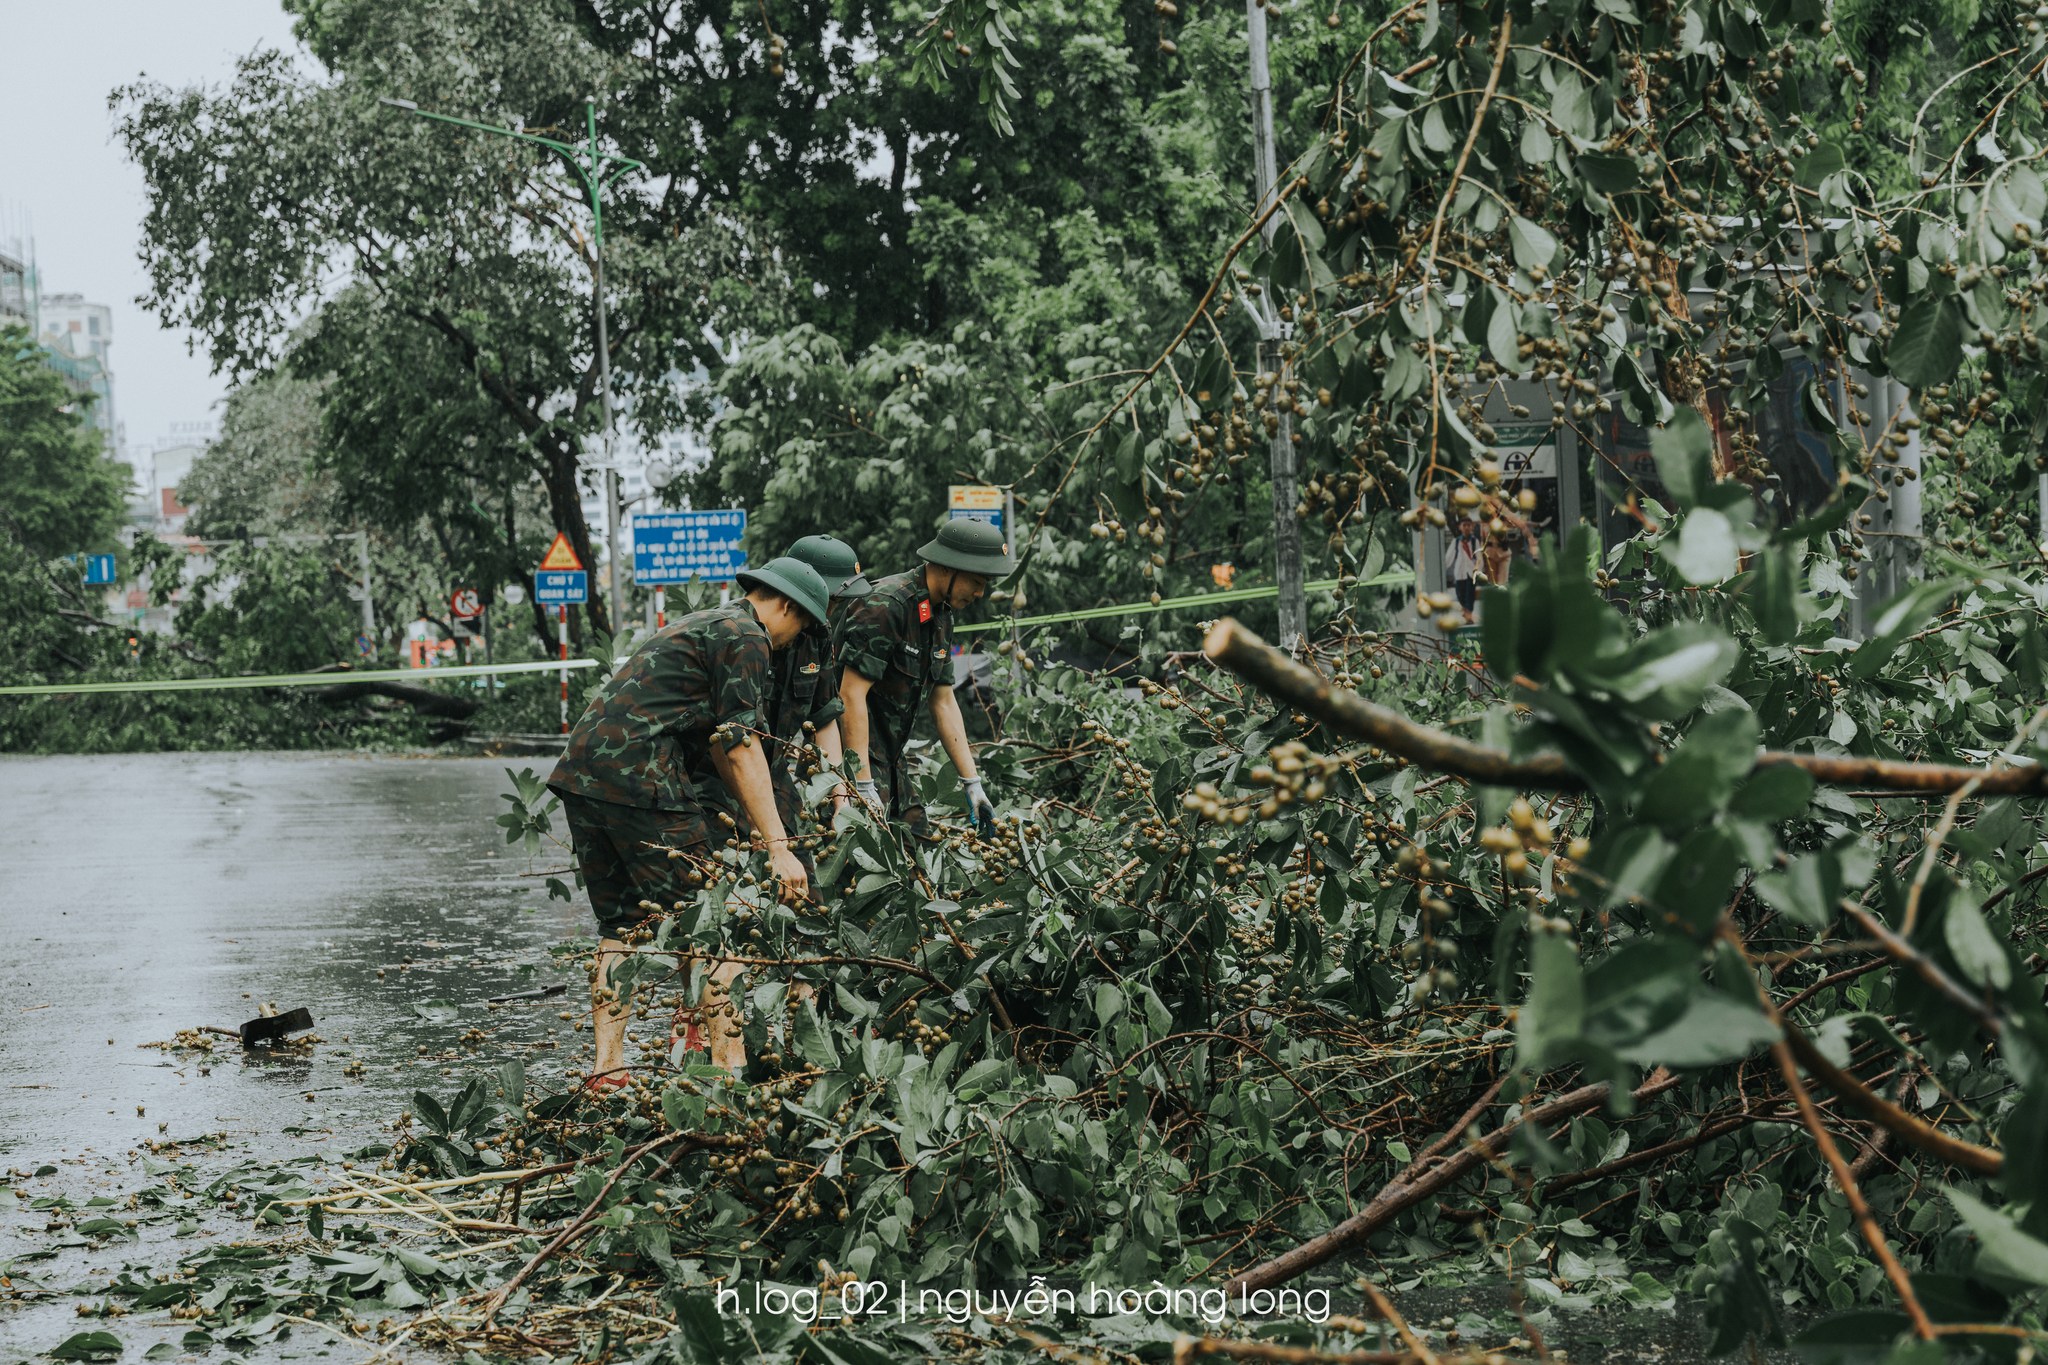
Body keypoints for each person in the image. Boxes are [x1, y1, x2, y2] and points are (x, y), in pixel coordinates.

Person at [547, 555, 832, 1086]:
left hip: (584, 775)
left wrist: (750, 819)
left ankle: (607, 1073)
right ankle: (731, 1076)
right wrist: (778, 844)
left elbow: (722, 743)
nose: (800, 640)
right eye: (804, 627)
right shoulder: (748, 637)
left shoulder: (707, 625)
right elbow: (744, 744)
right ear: (787, 606)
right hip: (642, 779)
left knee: (625, 925)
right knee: (716, 923)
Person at [837, 519, 1012, 834]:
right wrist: (860, 784)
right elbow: (850, 695)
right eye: (976, 581)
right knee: (864, 866)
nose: (980, 593)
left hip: (890, 761)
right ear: (947, 568)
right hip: (849, 761)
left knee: (918, 846)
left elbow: (943, 701)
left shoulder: (941, 615)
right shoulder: (886, 605)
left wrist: (972, 784)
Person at [766, 534, 871, 866]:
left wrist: (841, 793)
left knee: (803, 880)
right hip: (722, 775)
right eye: (831, 601)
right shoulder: (752, 636)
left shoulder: (818, 637)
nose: (831, 613)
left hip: (772, 768)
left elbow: (824, 716)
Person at [1445, 515, 1481, 619]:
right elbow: (1449, 557)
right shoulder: (1456, 541)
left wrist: (1478, 570)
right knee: (1460, 595)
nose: (1466, 527)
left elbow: (1479, 557)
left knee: (1470, 596)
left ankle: (1468, 616)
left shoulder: (1475, 541)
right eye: (1464, 525)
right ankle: (1467, 613)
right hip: (1459, 573)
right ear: (1460, 527)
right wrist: (1443, 569)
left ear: (1472, 527)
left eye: (1468, 525)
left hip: (1471, 573)